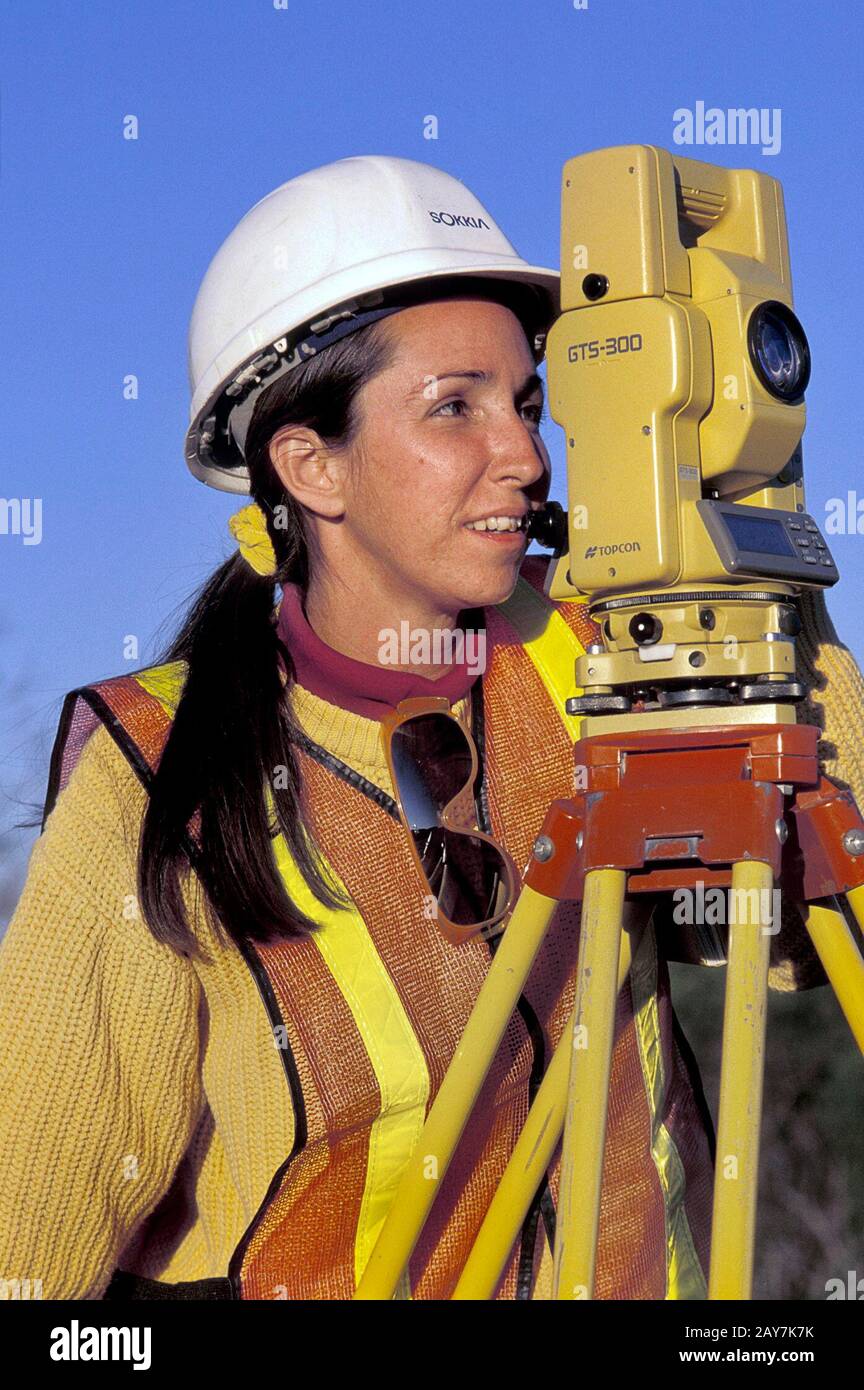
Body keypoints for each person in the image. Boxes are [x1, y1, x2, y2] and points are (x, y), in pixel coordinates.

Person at [1, 155, 862, 1303]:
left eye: (526, 403)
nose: (525, 453)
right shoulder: (153, 774)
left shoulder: (603, 648)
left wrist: (761, 570)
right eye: (454, 407)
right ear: (310, 465)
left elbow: (803, 929)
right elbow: (31, 1232)